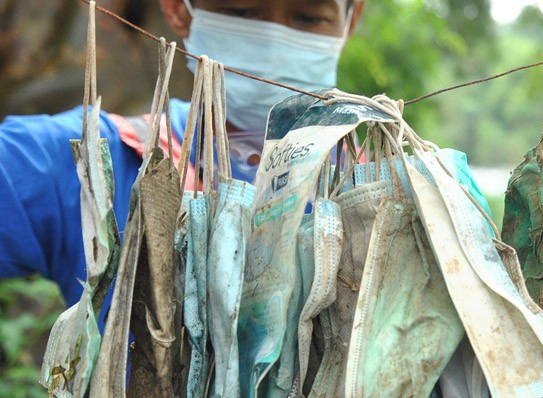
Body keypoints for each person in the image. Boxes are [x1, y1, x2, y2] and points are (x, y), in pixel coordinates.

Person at [0, 0, 365, 321]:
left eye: (307, 16)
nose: (273, 44)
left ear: (351, 19)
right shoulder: (95, 162)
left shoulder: (373, 191)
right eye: (240, 10)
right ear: (178, 8)